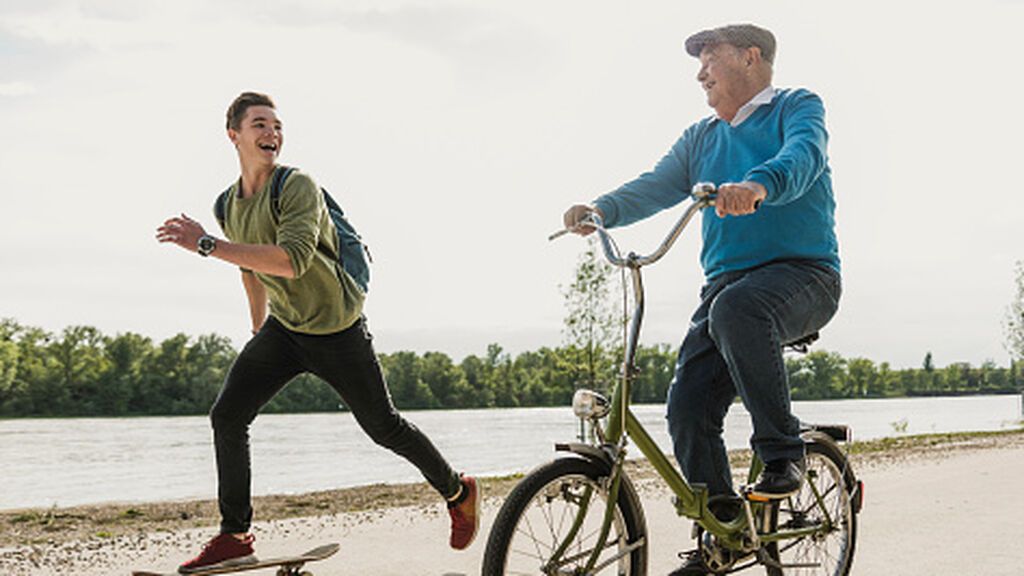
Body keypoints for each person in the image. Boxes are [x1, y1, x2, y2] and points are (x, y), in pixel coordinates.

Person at [156, 92, 479, 574]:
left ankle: (457, 490)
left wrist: (205, 243)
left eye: (277, 125)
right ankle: (235, 535)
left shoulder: (297, 185)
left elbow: (293, 260)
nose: (272, 134)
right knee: (228, 414)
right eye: (260, 124)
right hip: (285, 331)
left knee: (383, 427)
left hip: (337, 327)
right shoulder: (227, 203)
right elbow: (247, 265)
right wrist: (257, 327)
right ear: (234, 135)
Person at [562, 24, 841, 575]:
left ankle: (783, 454)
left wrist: (758, 186)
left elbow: (803, 157)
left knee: (737, 310)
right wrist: (600, 210)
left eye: (709, 58)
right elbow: (656, 184)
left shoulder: (796, 106)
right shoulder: (700, 138)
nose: (700, 73)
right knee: (687, 405)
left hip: (805, 275)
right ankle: (723, 531)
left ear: (750, 57)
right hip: (726, 289)